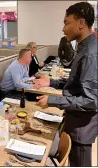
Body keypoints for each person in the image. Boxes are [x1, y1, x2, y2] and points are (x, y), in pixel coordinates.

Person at [36, 2, 97, 166]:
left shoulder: (90, 53)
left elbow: (90, 101)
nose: (63, 28)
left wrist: (52, 101)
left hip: (81, 128)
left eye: (66, 22)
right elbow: (76, 83)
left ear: (81, 23)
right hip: (75, 122)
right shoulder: (83, 47)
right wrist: (51, 81)